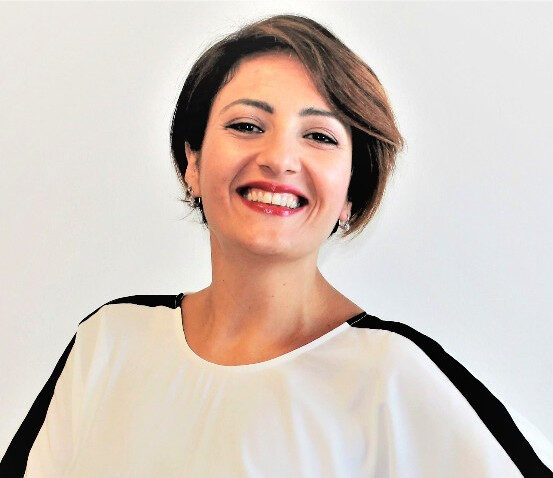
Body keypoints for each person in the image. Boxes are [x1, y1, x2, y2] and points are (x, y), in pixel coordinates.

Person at [2, 13, 552, 478]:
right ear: (192, 162)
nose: (279, 159)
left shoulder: (393, 380)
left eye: (319, 136)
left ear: (350, 194)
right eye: (246, 125)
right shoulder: (107, 344)